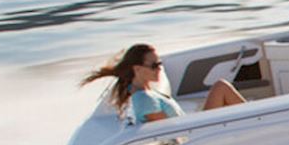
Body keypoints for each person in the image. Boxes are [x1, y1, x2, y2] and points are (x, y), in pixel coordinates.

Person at [81, 43, 244, 125]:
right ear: (137, 69)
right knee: (221, 87)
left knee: (220, 88)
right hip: (195, 134)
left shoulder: (137, 89)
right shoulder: (144, 99)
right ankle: (262, 124)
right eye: (154, 66)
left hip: (191, 124)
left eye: (159, 64)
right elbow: (171, 133)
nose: (159, 69)